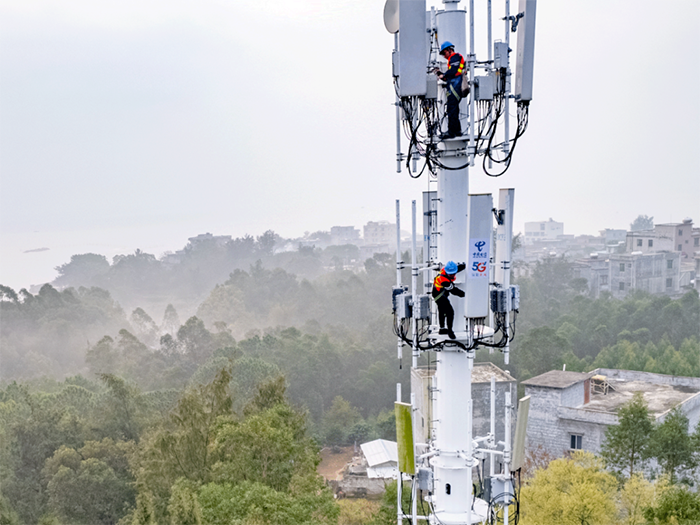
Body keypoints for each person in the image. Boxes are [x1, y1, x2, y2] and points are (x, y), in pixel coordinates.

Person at [434, 41, 466, 139]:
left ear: (449, 50)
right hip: (453, 86)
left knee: (451, 109)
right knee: (454, 109)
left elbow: (454, 70)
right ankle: (457, 131)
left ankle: (451, 132)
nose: (444, 56)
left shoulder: (455, 57)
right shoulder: (452, 60)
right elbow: (450, 74)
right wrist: (440, 73)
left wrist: (444, 74)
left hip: (455, 87)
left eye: (444, 53)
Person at [432, 260, 466, 339]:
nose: (452, 275)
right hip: (439, 296)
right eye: (451, 274)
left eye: (453, 273)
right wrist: (465, 294)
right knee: (449, 312)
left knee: (442, 310)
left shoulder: (445, 270)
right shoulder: (444, 281)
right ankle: (450, 331)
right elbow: (453, 290)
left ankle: (442, 329)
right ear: (447, 272)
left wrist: (464, 266)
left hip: (438, 293)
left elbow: (457, 269)